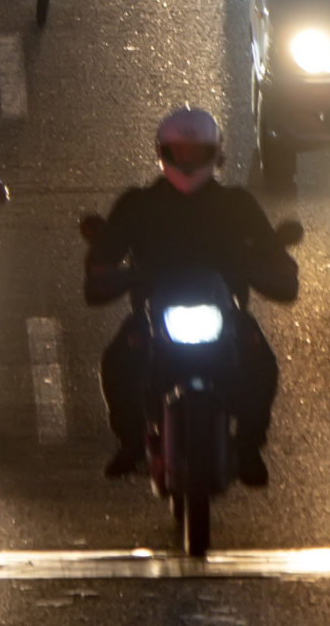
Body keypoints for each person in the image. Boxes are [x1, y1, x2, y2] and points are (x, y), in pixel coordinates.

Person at [85, 107, 299, 486]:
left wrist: (273, 266)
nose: (187, 161)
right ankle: (131, 444)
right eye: (179, 152)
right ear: (162, 152)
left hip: (226, 315)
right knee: (118, 360)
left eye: (196, 153)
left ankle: (249, 446)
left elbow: (274, 256)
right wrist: (111, 270)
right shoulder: (139, 204)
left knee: (261, 362)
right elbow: (103, 260)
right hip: (154, 315)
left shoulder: (238, 204)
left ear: (216, 154)